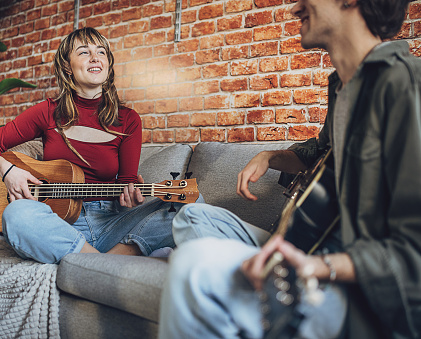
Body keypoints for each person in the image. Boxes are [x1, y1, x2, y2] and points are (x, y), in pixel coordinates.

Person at [158, 0, 421, 338]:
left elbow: (414, 251)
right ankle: (266, 269)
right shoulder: (343, 90)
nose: (296, 8)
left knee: (195, 267)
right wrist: (270, 155)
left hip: (364, 297)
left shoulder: (404, 84)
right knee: (194, 217)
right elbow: (319, 154)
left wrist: (319, 266)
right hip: (310, 246)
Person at [0, 27, 199, 264]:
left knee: (194, 202)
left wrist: (130, 193)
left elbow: (126, 183)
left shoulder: (128, 120)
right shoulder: (47, 112)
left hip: (113, 223)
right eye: (84, 52)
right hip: (59, 224)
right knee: (16, 214)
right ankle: (106, 263)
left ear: (108, 64)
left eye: (101, 52)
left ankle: (106, 261)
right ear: (67, 67)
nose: (95, 57)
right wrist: (8, 172)